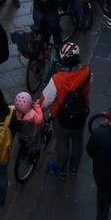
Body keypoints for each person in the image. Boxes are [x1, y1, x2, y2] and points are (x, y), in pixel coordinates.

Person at [41, 42, 91, 178]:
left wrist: (39, 106)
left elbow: (45, 101)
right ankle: (74, 167)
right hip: (81, 113)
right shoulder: (86, 73)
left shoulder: (57, 79)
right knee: (78, 140)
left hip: (61, 118)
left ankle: (61, 169)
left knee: (62, 143)